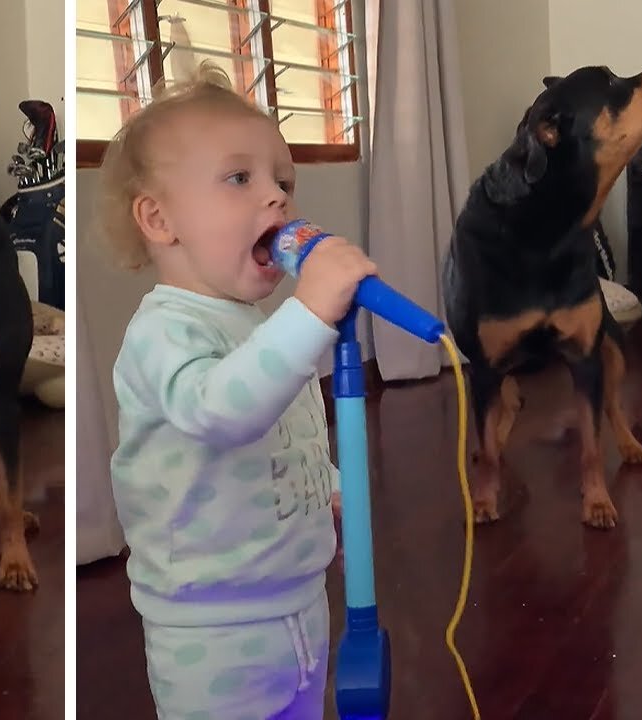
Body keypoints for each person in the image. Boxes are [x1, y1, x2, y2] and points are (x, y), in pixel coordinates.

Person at [96, 60, 378, 719]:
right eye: (239, 178)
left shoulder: (258, 326)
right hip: (211, 632)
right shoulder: (162, 332)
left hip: (299, 602)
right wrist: (310, 311)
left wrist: (327, 485)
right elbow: (224, 409)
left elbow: (290, 421)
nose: (277, 197)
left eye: (283, 180)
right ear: (159, 219)